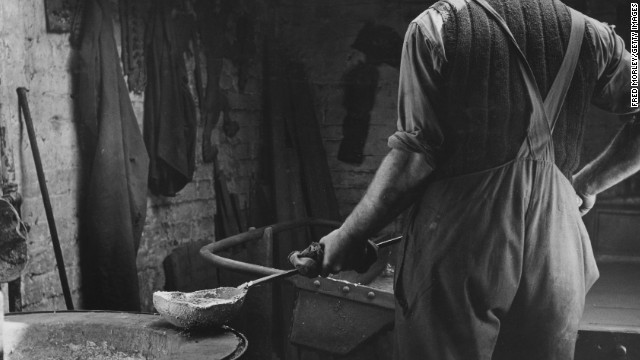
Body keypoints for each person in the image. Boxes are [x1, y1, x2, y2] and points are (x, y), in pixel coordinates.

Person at [290, 0, 638, 358]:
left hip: (461, 243)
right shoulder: (593, 36)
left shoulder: (436, 27)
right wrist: (586, 184)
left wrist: (347, 237)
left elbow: (414, 160)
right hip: (556, 249)